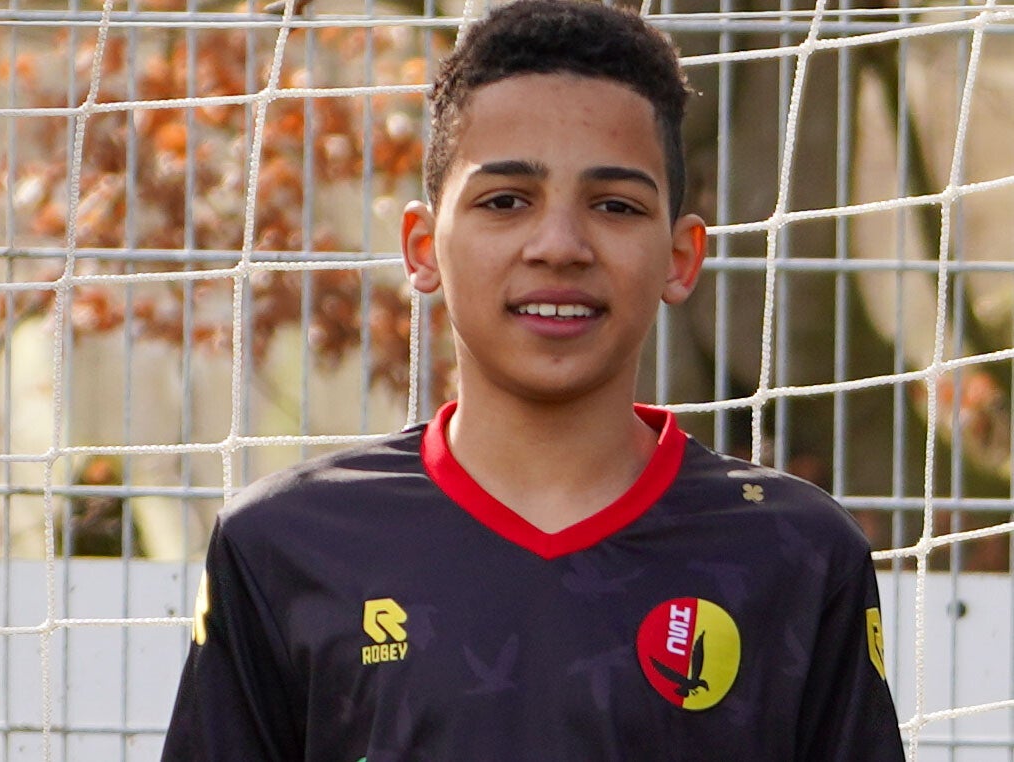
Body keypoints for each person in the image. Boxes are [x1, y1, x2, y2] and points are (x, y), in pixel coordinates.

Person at [161, 1, 907, 759]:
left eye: (614, 205)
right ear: (423, 247)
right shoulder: (285, 544)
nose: (559, 245)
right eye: (505, 201)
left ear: (680, 258)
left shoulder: (794, 554)